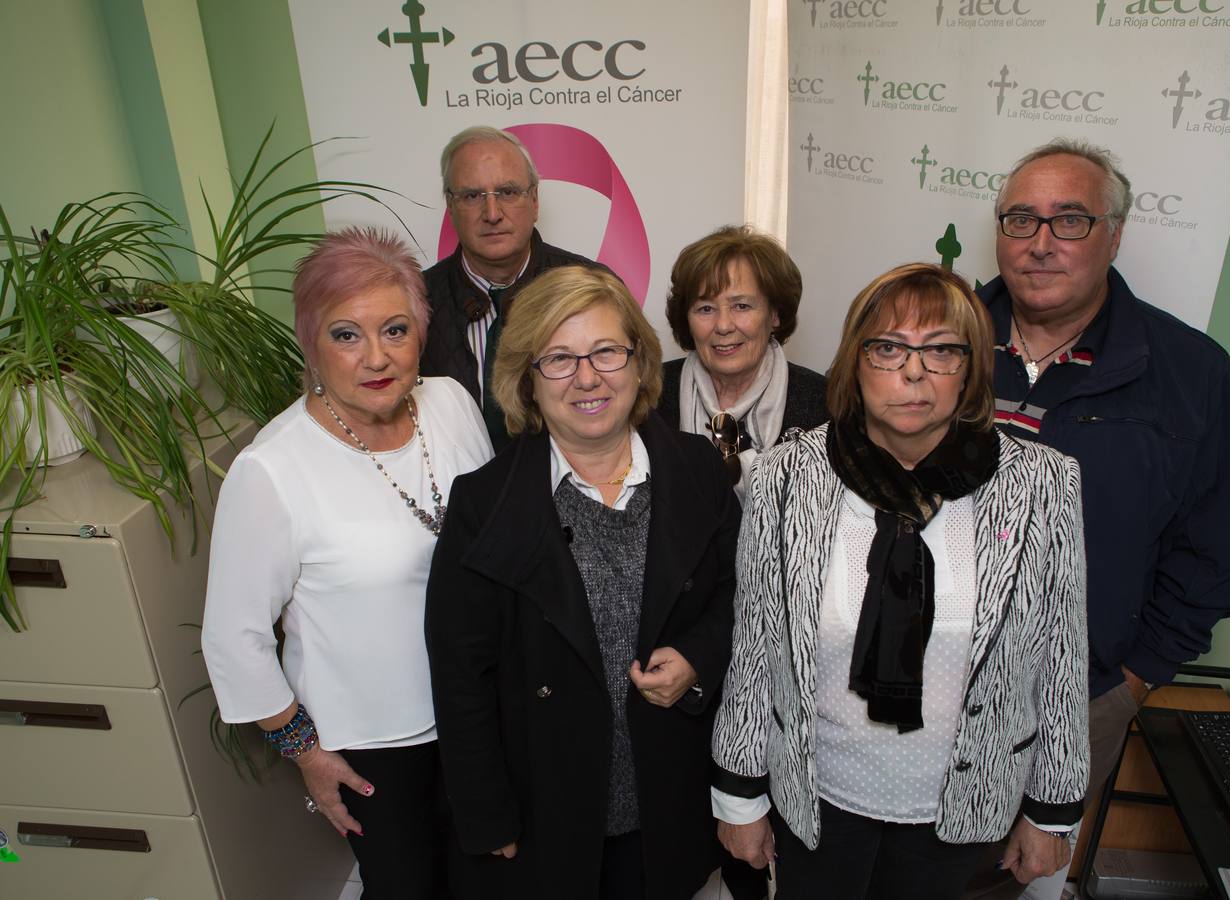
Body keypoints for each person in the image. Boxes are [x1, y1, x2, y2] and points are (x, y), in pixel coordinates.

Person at [712, 263, 1089, 900]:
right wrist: (740, 797)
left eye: (941, 349)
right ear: (854, 362)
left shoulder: (1043, 483)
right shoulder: (784, 478)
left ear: (969, 369)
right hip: (817, 805)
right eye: (888, 348)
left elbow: (1062, 656)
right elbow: (753, 649)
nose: (913, 371)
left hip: (963, 811)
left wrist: (1053, 809)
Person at [976, 139, 1230, 898]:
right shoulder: (938, 341)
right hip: (914, 684)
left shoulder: (1192, 374)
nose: (1039, 244)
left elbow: (1211, 553)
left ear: (1115, 235)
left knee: (1021, 875)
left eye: (1069, 221)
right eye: (1020, 219)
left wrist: (1129, 684)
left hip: (1079, 696)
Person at [426, 265, 740, 899]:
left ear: (640, 362)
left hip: (671, 803)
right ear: (526, 379)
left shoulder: (700, 472)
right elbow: (461, 675)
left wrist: (699, 659)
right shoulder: (483, 504)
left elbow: (746, 601)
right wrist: (486, 815)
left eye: (606, 351)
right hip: (547, 817)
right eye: (560, 359)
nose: (588, 377)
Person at [201, 228, 492, 898]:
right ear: (310, 343)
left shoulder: (448, 403)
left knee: (487, 877)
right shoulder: (272, 470)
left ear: (421, 331)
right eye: (345, 335)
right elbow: (233, 637)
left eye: (394, 329)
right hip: (375, 747)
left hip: (476, 710)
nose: (376, 357)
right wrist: (304, 750)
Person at [421, 125, 611, 450]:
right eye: (471, 196)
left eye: (507, 192)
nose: (492, 214)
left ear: (534, 201)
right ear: (450, 207)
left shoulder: (594, 287)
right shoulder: (416, 301)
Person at [657, 225, 827, 494]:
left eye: (741, 306)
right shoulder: (649, 396)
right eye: (705, 308)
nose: (723, 325)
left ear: (775, 315)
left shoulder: (824, 405)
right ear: (686, 320)